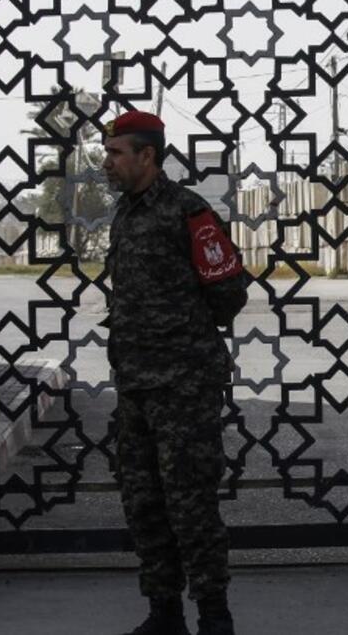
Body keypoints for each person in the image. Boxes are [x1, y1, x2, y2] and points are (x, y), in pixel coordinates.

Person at [102, 110, 248, 635]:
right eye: (108, 152)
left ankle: (214, 616)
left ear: (147, 156)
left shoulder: (189, 211)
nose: (108, 162)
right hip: (136, 384)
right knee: (144, 504)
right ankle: (164, 614)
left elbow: (228, 290)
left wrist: (183, 340)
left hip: (183, 387)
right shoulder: (125, 214)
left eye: (117, 153)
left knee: (191, 505)